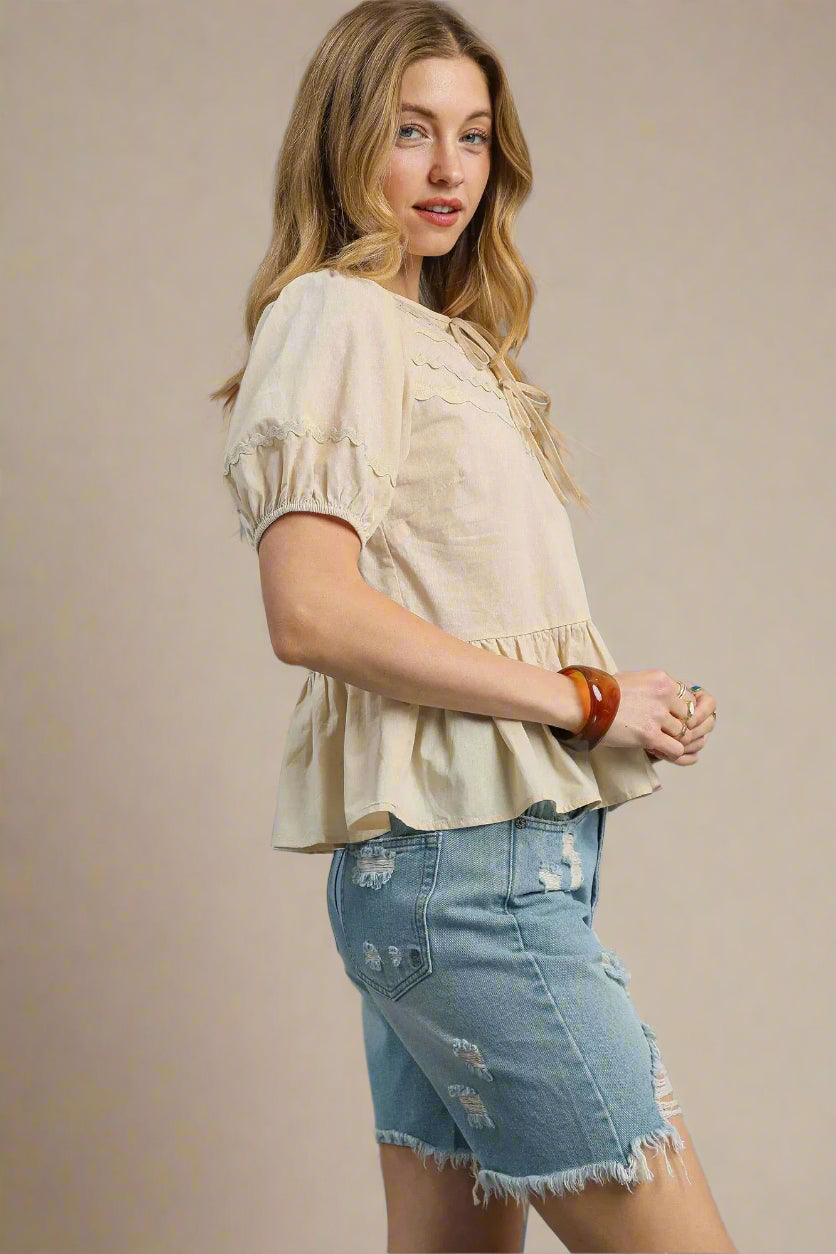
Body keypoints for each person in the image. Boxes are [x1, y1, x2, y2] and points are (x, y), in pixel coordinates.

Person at [211, 3, 736, 1251]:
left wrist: (620, 700)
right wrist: (584, 703)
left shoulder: (438, 342)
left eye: (473, 135)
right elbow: (308, 608)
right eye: (410, 131)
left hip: (462, 867)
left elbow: (457, 605)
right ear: (344, 142)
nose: (448, 168)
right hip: (466, 884)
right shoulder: (335, 314)